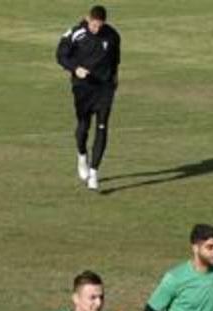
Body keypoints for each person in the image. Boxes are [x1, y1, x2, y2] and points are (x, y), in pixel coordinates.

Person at [56, 5, 121, 192]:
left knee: (102, 126)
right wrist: (75, 69)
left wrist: (115, 77)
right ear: (88, 19)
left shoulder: (113, 36)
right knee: (83, 127)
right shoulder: (76, 33)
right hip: (83, 87)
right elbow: (60, 55)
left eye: (100, 26)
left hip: (105, 88)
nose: (96, 29)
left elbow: (115, 59)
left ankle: (94, 173)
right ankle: (82, 156)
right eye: (94, 25)